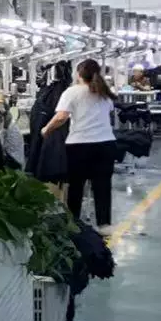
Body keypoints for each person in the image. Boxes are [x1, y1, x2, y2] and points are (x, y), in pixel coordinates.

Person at [42, 57, 118, 227]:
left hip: (80, 145)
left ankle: (73, 223)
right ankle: (104, 225)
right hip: (106, 144)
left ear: (78, 74)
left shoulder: (72, 92)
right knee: (102, 187)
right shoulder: (105, 92)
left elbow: (61, 117)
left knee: (76, 187)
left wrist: (46, 129)